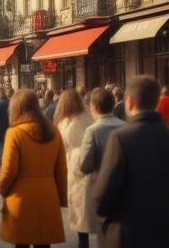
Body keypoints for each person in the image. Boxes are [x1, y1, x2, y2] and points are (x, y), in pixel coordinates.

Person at [95, 75, 169, 248]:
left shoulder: (120, 138)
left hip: (127, 233)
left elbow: (102, 196)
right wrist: (164, 210)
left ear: (130, 102)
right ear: (156, 102)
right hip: (166, 233)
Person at [0, 88, 68, 248]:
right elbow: (61, 170)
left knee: (21, 243)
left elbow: (9, 170)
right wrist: (62, 198)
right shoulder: (53, 132)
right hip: (48, 196)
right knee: (43, 243)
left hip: (21, 198)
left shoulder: (15, 133)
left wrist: (2, 189)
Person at [77, 88, 125, 240]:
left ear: (94, 107)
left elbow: (85, 165)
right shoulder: (125, 126)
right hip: (124, 187)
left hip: (100, 188)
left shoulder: (92, 131)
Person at [53, 89, 95, 248]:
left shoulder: (64, 122)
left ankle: (82, 243)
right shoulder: (88, 116)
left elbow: (59, 145)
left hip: (72, 167)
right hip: (89, 165)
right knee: (85, 209)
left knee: (79, 212)